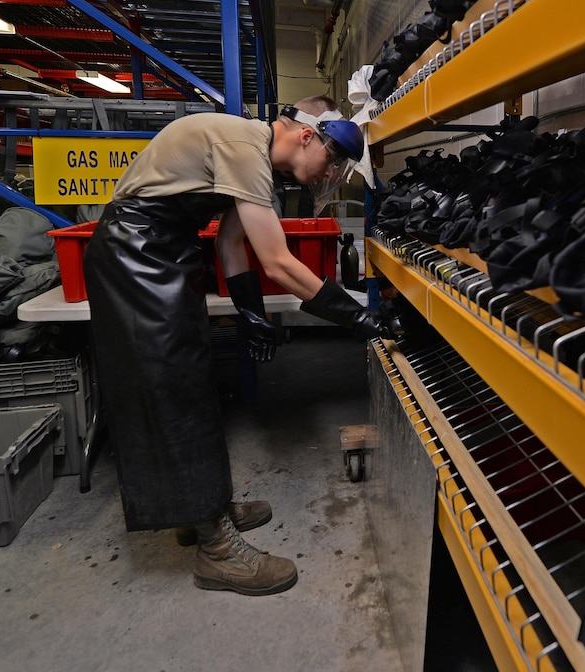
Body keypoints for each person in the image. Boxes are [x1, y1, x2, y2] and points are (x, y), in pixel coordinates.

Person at [82, 96, 397, 596]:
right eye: (332, 160)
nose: (329, 173)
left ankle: (201, 511)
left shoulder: (250, 156)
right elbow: (278, 263)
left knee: (188, 382)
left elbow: (231, 244)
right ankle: (216, 550)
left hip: (157, 254)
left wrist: (251, 313)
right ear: (305, 135)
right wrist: (357, 317)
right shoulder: (245, 145)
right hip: (134, 257)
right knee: (171, 392)